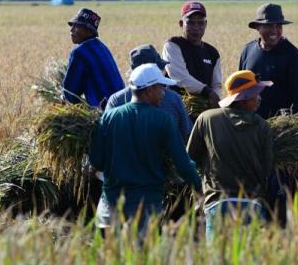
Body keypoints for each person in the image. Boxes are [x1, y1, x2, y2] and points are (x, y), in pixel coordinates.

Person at [90, 63, 201, 239]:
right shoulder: (163, 120)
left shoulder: (109, 116)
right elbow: (183, 164)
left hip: (108, 213)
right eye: (160, 87)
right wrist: (200, 187)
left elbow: (96, 161)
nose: (163, 93)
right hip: (144, 212)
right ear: (149, 90)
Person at [188, 70, 274, 242]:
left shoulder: (206, 119)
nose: (259, 99)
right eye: (256, 95)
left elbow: (191, 157)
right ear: (244, 98)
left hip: (217, 203)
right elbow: (268, 169)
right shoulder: (262, 126)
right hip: (252, 203)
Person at [105, 44, 193, 143]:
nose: (164, 71)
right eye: (159, 69)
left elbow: (106, 137)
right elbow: (187, 136)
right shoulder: (173, 98)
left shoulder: (116, 100)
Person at [238, 3, 298, 119]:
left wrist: (291, 125)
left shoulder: (292, 54)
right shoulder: (247, 51)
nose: (274, 31)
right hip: (251, 123)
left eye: (278, 26)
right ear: (258, 27)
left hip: (280, 126)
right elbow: (240, 90)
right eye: (269, 26)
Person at [161, 1, 222, 109]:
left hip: (204, 109)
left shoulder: (212, 53)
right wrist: (207, 92)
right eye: (191, 23)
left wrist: (215, 99)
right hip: (177, 108)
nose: (196, 27)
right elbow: (179, 77)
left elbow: (217, 84)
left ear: (206, 24)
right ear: (181, 23)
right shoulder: (173, 45)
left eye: (200, 23)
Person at [62, 8, 124, 109]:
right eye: (72, 25)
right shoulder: (102, 47)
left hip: (103, 112)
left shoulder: (79, 52)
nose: (71, 30)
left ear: (90, 32)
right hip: (121, 106)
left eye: (77, 26)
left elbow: (70, 94)